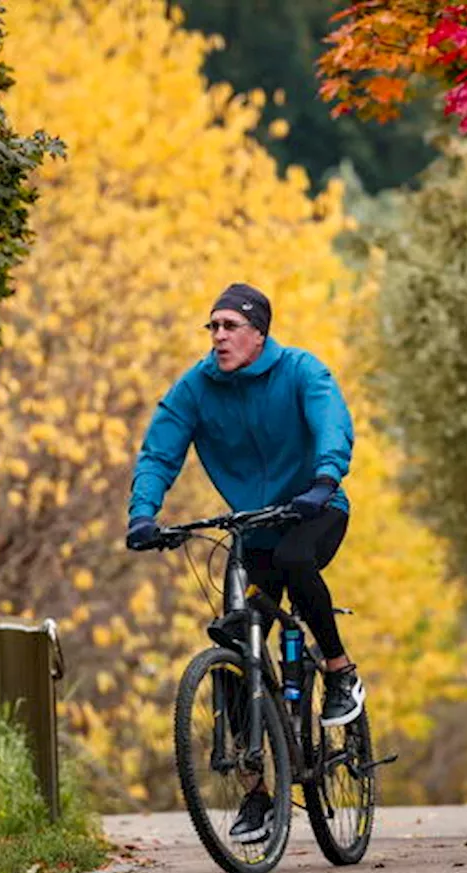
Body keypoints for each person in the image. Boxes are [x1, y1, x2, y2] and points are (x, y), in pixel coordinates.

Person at [125, 282, 363, 843]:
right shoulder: (196, 388)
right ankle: (256, 794)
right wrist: (143, 515)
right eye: (212, 326)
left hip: (315, 507)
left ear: (259, 333)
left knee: (295, 558)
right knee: (237, 640)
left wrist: (325, 478)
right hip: (252, 525)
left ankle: (339, 671)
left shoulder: (302, 371)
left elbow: (333, 422)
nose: (219, 337)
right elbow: (161, 449)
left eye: (230, 326)